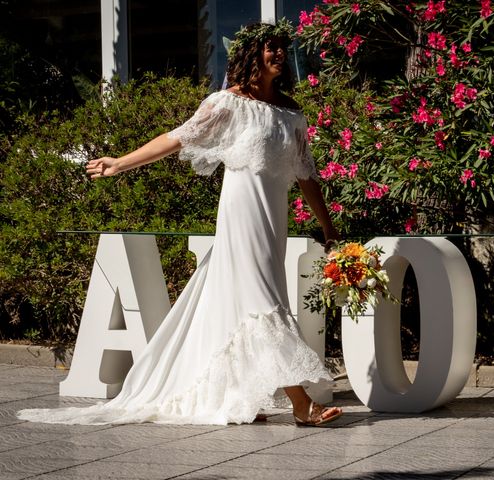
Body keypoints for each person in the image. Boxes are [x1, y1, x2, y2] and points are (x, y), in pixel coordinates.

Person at [17, 21, 343, 427]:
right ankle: (301, 403)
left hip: (272, 222)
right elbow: (176, 138)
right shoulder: (227, 103)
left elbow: (306, 175)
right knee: (262, 303)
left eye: (282, 47)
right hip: (241, 216)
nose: (278, 53)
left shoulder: (291, 113)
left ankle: (238, 396)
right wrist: (119, 163)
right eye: (269, 47)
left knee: (241, 304)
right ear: (250, 54)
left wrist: (327, 227)